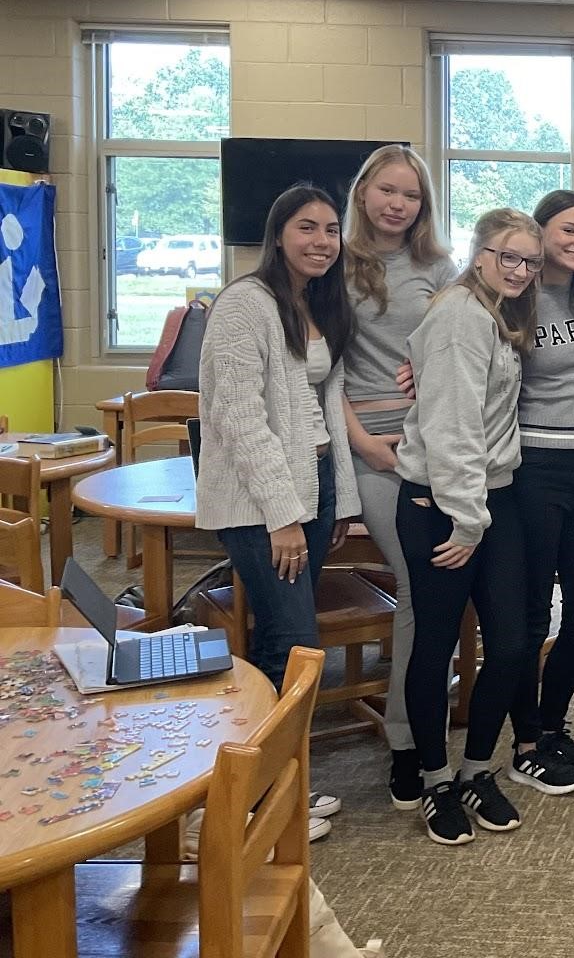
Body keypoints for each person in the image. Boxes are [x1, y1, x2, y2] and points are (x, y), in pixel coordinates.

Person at [196, 183, 358, 841]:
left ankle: (257, 784)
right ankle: (254, 798)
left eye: (330, 230)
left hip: (311, 488)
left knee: (274, 643)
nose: (322, 241)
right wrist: (282, 516)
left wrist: (338, 500)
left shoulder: (313, 301)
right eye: (307, 227)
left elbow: (326, 409)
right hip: (265, 506)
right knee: (298, 645)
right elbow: (237, 417)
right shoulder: (245, 304)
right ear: (278, 233)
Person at [394, 209, 542, 846]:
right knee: (436, 644)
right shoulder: (459, 314)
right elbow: (452, 430)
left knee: (510, 643)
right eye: (507, 256)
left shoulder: (493, 312)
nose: (518, 269)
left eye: (529, 261)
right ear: (479, 254)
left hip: (491, 499)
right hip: (443, 506)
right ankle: (434, 779)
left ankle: (478, 768)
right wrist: (468, 519)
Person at [337, 144, 457, 811]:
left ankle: (425, 730)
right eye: (387, 190)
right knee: (416, 589)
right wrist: (364, 446)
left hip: (433, 440)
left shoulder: (439, 266)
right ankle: (409, 743)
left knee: (440, 591)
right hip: (372, 448)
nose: (397, 204)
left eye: (410, 195)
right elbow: (325, 373)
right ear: (363, 193)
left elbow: (463, 343)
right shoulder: (338, 264)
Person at [507, 190, 574, 792]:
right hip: (533, 468)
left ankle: (551, 725)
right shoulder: (514, 299)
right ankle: (526, 741)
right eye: (568, 230)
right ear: (540, 230)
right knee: (528, 617)